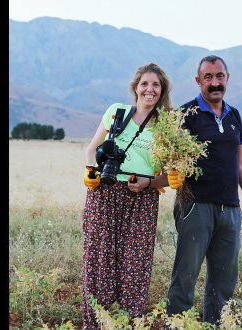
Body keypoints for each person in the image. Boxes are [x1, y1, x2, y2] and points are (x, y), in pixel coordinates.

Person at [165, 55, 242, 326]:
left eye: (219, 76)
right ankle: (177, 324)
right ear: (198, 81)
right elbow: (166, 157)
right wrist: (170, 173)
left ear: (227, 78)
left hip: (230, 209)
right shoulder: (186, 115)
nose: (214, 83)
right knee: (185, 276)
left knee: (224, 280)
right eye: (208, 77)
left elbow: (241, 163)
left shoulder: (234, 115)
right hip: (194, 207)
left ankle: (216, 325)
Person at [81, 63, 176, 329]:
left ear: (162, 90)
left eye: (156, 85)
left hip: (142, 199)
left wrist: (149, 182)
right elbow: (91, 150)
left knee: (136, 262)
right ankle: (95, 322)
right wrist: (91, 173)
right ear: (135, 87)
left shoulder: (166, 125)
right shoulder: (116, 112)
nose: (150, 89)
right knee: (98, 258)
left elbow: (172, 173)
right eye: (145, 83)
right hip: (104, 192)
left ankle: (131, 322)